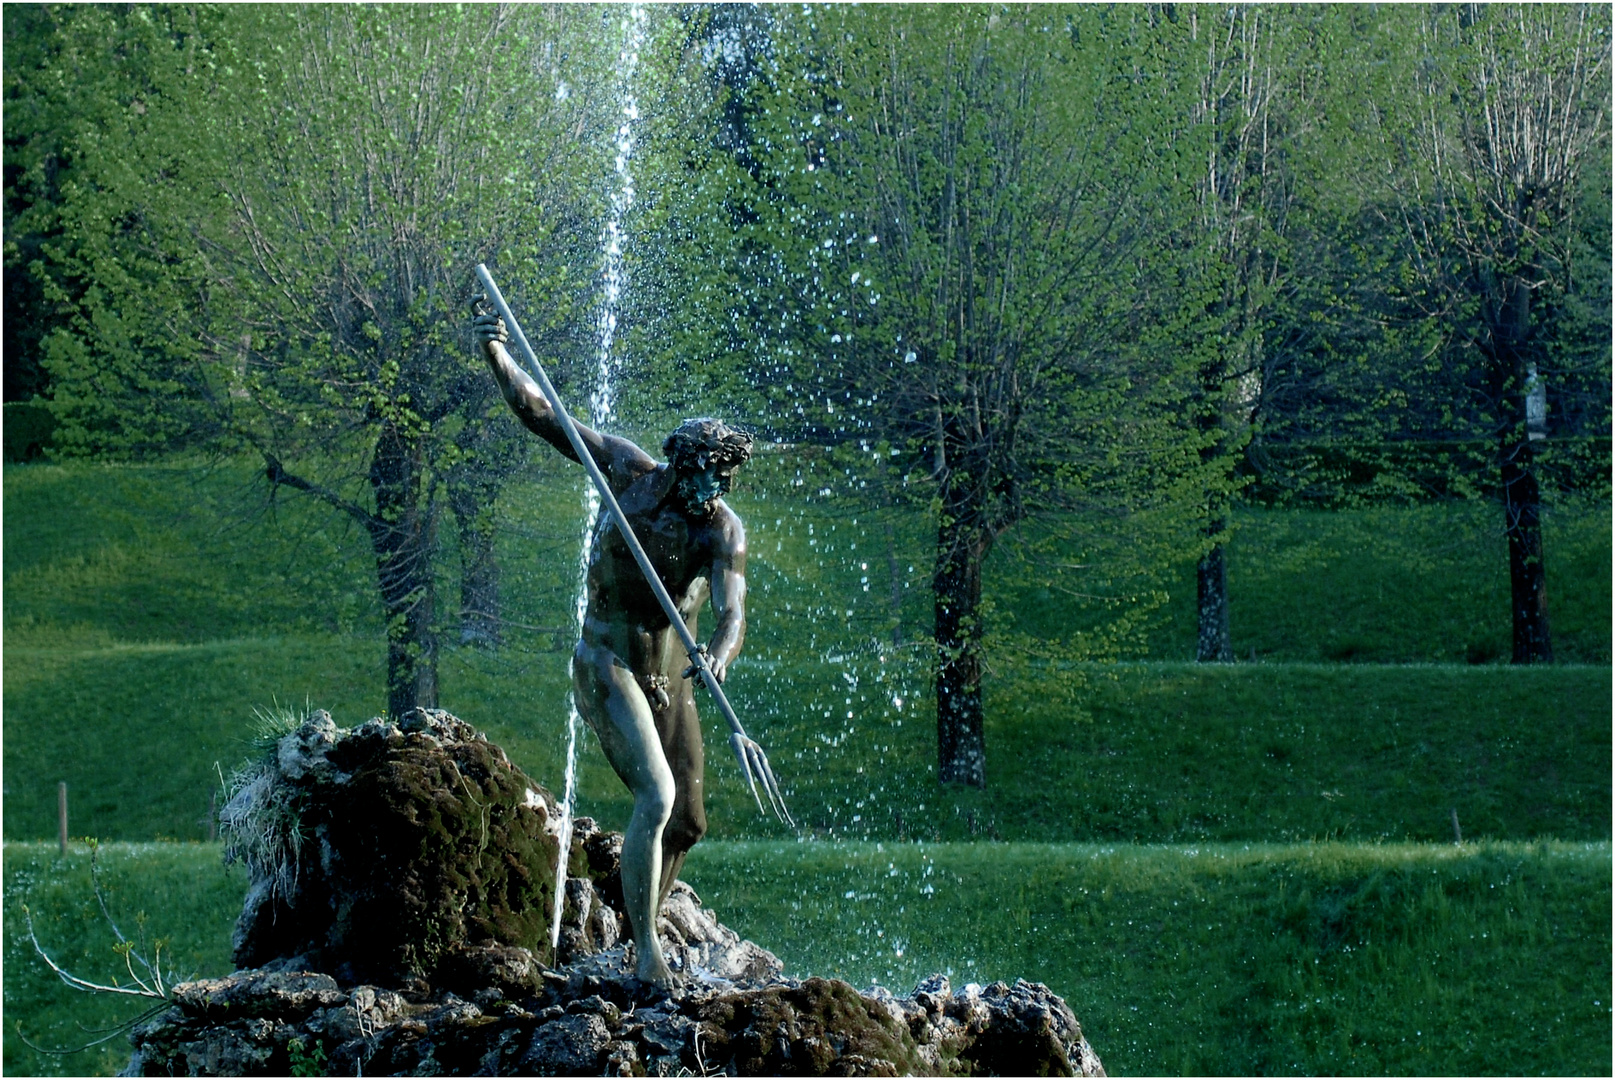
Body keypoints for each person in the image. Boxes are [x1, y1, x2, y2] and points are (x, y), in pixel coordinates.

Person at [475, 307, 751, 987]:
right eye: (705, 478)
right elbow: (543, 415)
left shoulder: (720, 529)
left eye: (723, 482)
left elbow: (731, 612)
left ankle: (633, 932)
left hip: (668, 677)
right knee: (654, 798)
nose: (713, 494)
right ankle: (649, 962)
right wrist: (494, 353)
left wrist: (716, 654)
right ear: (680, 464)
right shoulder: (626, 472)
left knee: (687, 821)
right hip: (606, 661)